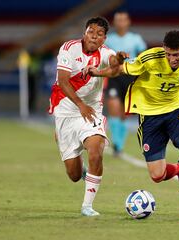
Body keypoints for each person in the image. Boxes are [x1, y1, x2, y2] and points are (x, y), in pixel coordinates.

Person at [85, 30, 179, 220]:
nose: (173, 59)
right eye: (169, 54)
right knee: (157, 175)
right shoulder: (150, 58)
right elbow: (119, 70)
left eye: (177, 55)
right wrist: (97, 72)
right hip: (149, 117)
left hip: (175, 112)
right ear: (164, 49)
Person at [48, 17, 127, 216]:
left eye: (99, 34)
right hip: (66, 111)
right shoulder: (69, 48)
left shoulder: (106, 52)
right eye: (91, 31)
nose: (94, 36)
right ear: (85, 32)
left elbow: (114, 66)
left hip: (91, 111)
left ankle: (87, 206)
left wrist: (119, 59)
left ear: (104, 38)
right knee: (74, 175)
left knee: (96, 150)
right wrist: (80, 105)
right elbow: (64, 82)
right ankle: (84, 172)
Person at [105, 11, 147, 156]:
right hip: (114, 76)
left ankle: (119, 144)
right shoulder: (108, 40)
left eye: (123, 20)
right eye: (118, 20)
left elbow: (143, 58)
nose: (121, 23)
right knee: (113, 107)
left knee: (124, 113)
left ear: (128, 22)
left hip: (130, 77)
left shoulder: (136, 39)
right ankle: (116, 143)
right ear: (114, 23)